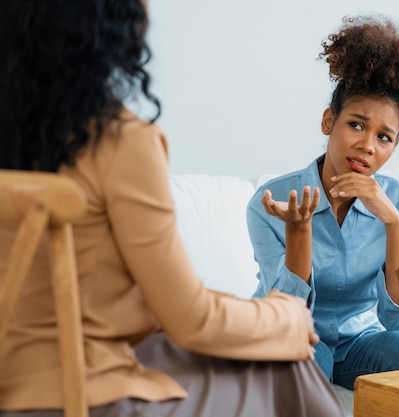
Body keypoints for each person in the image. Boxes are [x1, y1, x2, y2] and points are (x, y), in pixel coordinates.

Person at [0, 1, 344, 416]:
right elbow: (191, 319)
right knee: (289, 359)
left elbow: (150, 305)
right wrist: (286, 317)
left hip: (14, 387)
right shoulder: (120, 142)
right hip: (85, 395)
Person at [247, 15, 399, 390]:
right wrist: (300, 232)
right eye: (356, 125)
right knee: (308, 356)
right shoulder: (271, 203)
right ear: (329, 121)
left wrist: (393, 225)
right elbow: (287, 316)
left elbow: (398, 324)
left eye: (384, 137)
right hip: (293, 337)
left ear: (395, 145)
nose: (367, 145)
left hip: (361, 342)